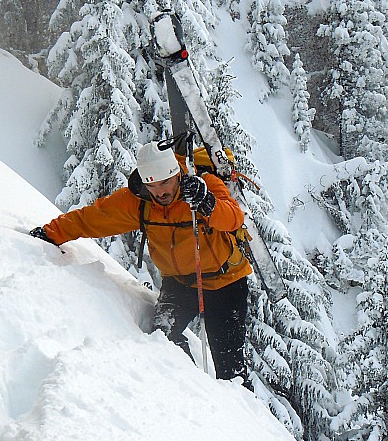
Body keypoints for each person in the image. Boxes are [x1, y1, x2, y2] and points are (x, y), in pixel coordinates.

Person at [30, 140, 253, 381]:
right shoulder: (139, 201)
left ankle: (237, 411)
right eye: (152, 184)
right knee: (163, 337)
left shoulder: (203, 186)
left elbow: (233, 218)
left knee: (231, 371)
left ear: (177, 174)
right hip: (179, 283)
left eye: (165, 182)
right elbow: (93, 218)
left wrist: (208, 204)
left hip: (225, 281)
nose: (160, 192)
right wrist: (51, 233)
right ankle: (188, 387)